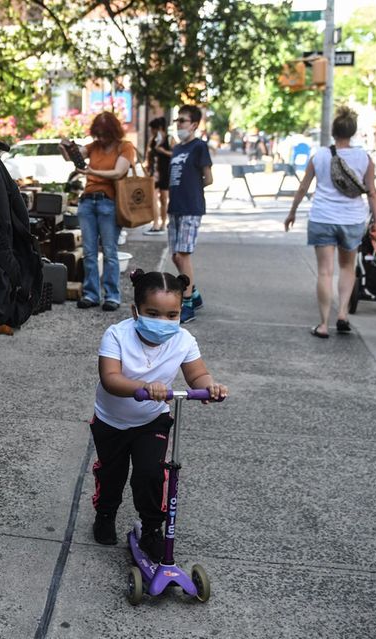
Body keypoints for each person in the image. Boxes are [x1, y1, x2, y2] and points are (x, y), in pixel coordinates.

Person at [90, 269, 227, 562]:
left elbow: (197, 374)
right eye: (153, 313)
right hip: (111, 421)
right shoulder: (117, 335)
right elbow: (110, 378)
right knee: (111, 474)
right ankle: (105, 512)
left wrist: (209, 388)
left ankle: (152, 527)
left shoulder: (184, 340)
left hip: (152, 418)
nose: (163, 322)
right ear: (135, 311)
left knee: (151, 474)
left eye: (171, 315)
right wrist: (143, 387)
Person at [284, 106, 376, 338]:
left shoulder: (319, 156)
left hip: (323, 218)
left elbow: (303, 187)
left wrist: (292, 212)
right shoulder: (364, 158)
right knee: (347, 268)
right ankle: (343, 315)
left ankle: (324, 324)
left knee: (325, 272)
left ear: (333, 131)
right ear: (353, 132)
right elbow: (372, 192)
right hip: (352, 220)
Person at [67, 111, 135, 311]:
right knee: (88, 252)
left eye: (105, 134)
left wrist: (91, 172)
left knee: (109, 252)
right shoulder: (94, 146)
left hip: (109, 202)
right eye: (98, 134)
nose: (101, 138)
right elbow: (75, 155)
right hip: (87, 202)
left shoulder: (125, 147)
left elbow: (118, 171)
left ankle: (112, 296)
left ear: (114, 132)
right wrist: (67, 149)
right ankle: (91, 294)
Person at [167, 104, 213, 324]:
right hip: (174, 206)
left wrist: (193, 190)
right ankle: (193, 294)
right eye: (177, 121)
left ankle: (186, 304)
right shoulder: (176, 149)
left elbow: (208, 178)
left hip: (190, 208)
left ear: (194, 124)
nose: (179, 125)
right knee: (175, 255)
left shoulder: (199, 147)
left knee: (183, 255)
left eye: (183, 121)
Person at [145, 117, 173, 235]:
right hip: (154, 173)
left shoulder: (170, 139)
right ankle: (155, 223)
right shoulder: (152, 140)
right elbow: (148, 155)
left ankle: (163, 223)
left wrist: (163, 151)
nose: (152, 132)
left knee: (164, 199)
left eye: (153, 129)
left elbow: (175, 154)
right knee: (153, 199)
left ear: (159, 128)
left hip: (166, 173)